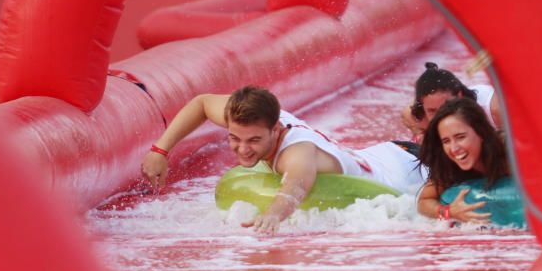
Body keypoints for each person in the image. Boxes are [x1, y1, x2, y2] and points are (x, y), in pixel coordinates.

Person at [141, 86, 425, 234]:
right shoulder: (251, 116)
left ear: (275, 129)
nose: (242, 150)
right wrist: (161, 150)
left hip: (411, 168)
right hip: (378, 154)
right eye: (234, 138)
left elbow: (294, 189)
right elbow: (202, 103)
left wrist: (273, 215)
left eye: (254, 141)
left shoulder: (297, 153)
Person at [417, 97, 510, 224]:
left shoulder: (509, 154)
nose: (454, 149)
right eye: (446, 141)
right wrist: (448, 212)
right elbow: (424, 201)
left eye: (460, 137)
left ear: (481, 133)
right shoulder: (448, 166)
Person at [402, 62, 501, 140]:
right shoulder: (424, 116)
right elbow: (406, 114)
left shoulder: (494, 111)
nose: (441, 116)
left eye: (446, 107)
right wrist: (421, 134)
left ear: (460, 96)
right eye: (432, 111)